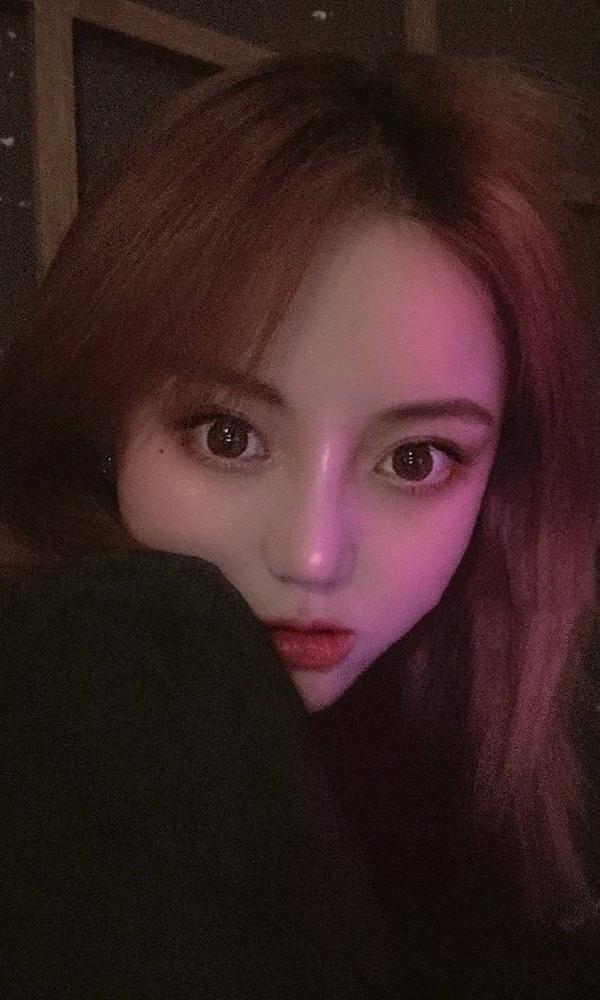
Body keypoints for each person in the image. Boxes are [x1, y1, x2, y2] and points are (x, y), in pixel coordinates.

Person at [0, 49, 599, 998]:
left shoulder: (482, 725)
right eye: (228, 436)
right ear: (104, 422)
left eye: (416, 460)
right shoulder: (103, 662)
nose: (313, 555)